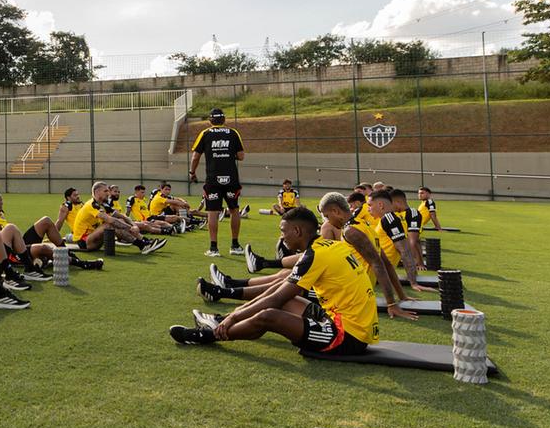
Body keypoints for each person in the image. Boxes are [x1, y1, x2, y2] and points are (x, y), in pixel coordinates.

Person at [169, 207, 378, 355]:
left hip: (347, 336)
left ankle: (210, 335)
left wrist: (233, 319)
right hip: (344, 319)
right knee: (280, 289)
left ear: (297, 231)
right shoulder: (332, 246)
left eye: (283, 231)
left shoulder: (315, 256)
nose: (281, 237)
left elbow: (275, 300)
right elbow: (279, 292)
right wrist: (233, 314)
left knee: (269, 316)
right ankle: (221, 318)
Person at [205, 193, 418, 321]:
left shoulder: (352, 231)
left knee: (282, 286)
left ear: (335, 211)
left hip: (346, 291)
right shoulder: (363, 226)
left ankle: (224, 291)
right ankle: (229, 285)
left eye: (326, 216)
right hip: (349, 285)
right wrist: (401, 296)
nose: (325, 221)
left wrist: (391, 303)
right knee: (285, 275)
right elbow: (385, 263)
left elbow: (378, 263)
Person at [0, 189, 57, 285]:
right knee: (10, 228)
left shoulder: (1, 214)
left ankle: (29, 268)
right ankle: (22, 270)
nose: (2, 202)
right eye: (0, 200)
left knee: (42, 246)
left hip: (8, 251)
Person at [189, 108, 246, 257]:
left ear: (210, 120)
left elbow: (195, 157)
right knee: (234, 210)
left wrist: (192, 172)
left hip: (213, 179)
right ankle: (235, 245)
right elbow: (241, 156)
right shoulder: (233, 133)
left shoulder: (205, 133)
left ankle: (213, 248)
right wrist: (228, 155)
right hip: (231, 178)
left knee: (212, 212)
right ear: (224, 120)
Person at [72, 181, 167, 254]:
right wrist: (130, 228)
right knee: (109, 224)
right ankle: (142, 245)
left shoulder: (103, 204)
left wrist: (134, 225)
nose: (108, 194)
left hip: (94, 237)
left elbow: (122, 216)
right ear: (97, 192)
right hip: (85, 242)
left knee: (119, 220)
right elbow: (110, 220)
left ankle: (145, 241)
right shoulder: (91, 205)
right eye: (105, 191)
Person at [370, 189, 436, 293]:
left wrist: (413, 279)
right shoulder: (388, 219)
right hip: (375, 270)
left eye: (370, 205)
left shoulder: (391, 219)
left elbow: (407, 248)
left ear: (381, 205)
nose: (368, 209)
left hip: (373, 272)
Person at [389, 189, 425, 270]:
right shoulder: (394, 214)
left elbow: (413, 241)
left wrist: (416, 262)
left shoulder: (412, 213)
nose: (390, 207)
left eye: (391, 203)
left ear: (398, 202)